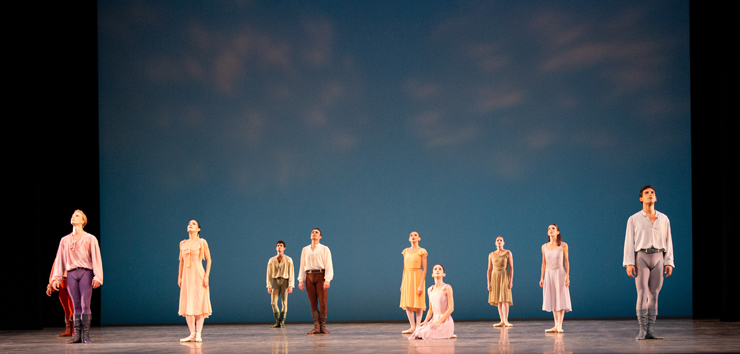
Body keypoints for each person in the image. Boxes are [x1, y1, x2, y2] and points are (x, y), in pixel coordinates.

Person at [623, 185, 674, 340]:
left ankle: (651, 329)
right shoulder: (634, 219)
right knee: (642, 293)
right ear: (641, 198)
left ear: (656, 198)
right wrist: (629, 262)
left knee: (654, 294)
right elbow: (629, 241)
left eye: (652, 193)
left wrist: (669, 262)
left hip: (658, 256)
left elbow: (668, 240)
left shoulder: (664, 218)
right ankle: (642, 329)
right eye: (647, 193)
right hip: (642, 257)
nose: (650, 195)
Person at [50, 210, 103, 344]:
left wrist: (98, 277)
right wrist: (56, 278)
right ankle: (77, 335)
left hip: (85, 272)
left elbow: (96, 258)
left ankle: (85, 335)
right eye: (73, 215)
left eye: (77, 215)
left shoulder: (90, 238)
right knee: (75, 305)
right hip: (71, 273)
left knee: (85, 304)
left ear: (83, 221)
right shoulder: (64, 240)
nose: (73, 217)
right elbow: (60, 260)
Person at [178, 220, 213, 342]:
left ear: (198, 229)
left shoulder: (202, 242)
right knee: (188, 305)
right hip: (187, 278)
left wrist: (206, 276)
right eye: (188, 223)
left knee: (198, 303)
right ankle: (192, 333)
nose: (190, 225)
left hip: (198, 275)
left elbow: (209, 260)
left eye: (193, 224)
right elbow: (181, 262)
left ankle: (199, 334)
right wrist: (180, 277)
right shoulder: (182, 243)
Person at [298, 228, 334, 334]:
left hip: (320, 276)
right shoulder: (305, 249)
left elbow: (328, 264)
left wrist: (327, 279)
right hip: (309, 276)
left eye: (316, 232)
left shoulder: (324, 249)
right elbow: (302, 265)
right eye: (312, 232)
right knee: (313, 303)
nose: (314, 234)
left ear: (320, 237)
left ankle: (322, 326)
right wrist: (301, 280)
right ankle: (316, 327)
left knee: (323, 302)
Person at [408, 264, 455, 340]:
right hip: (433, 320)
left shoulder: (447, 288)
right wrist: (425, 321)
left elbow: (451, 308)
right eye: (435, 269)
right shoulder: (430, 289)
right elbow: (431, 309)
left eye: (440, 269)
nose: (437, 270)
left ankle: (448, 332)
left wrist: (439, 321)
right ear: (432, 274)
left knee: (425, 333)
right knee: (418, 331)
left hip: (444, 321)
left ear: (444, 274)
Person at [539, 224, 571, 333]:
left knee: (560, 298)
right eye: (549, 229)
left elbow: (566, 261)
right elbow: (543, 263)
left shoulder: (563, 245)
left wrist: (567, 275)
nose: (550, 230)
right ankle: (555, 325)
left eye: (553, 228)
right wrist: (542, 277)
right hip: (549, 274)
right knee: (553, 297)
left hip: (559, 273)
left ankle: (559, 325)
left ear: (557, 232)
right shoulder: (544, 247)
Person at [400, 231, 427, 334]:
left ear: (419, 238)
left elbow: (424, 269)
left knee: (418, 302)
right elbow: (404, 268)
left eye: (415, 235)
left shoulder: (422, 251)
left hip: (417, 276)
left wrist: (421, 284)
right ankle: (412, 326)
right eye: (411, 235)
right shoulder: (405, 251)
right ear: (409, 238)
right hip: (408, 276)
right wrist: (402, 283)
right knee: (408, 302)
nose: (413, 237)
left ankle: (418, 327)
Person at [266, 240, 295, 328]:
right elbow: (269, 274)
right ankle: (277, 320)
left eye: (281, 245)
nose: (279, 247)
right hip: (276, 282)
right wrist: (269, 285)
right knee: (273, 302)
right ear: (276, 248)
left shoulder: (288, 259)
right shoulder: (271, 260)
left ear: (284, 248)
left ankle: (282, 321)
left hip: (285, 281)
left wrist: (291, 285)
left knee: (284, 302)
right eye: (278, 245)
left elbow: (291, 273)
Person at [488, 236, 513, 327]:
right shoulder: (491, 254)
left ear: (503, 243)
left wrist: (510, 281)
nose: (499, 242)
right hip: (495, 276)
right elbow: (489, 269)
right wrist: (489, 282)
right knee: (499, 300)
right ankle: (501, 320)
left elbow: (511, 268)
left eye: (501, 240)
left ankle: (506, 320)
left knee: (505, 299)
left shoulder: (508, 252)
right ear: (495, 243)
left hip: (504, 275)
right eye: (497, 240)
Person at [45, 260, 74, 337]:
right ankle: (68, 330)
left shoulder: (73, 255)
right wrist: (50, 285)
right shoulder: (59, 257)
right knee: (66, 308)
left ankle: (75, 330)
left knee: (72, 308)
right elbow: (53, 271)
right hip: (61, 282)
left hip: (72, 281)